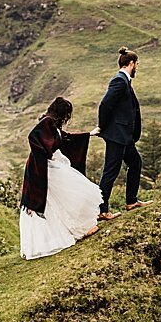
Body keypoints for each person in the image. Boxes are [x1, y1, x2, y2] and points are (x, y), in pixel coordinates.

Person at [18, 96, 102, 260]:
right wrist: (45, 155)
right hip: (44, 166)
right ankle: (81, 229)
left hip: (49, 165)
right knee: (76, 191)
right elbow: (33, 136)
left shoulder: (52, 125)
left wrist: (88, 135)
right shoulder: (47, 122)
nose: (67, 118)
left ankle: (78, 229)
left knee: (57, 200)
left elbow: (65, 139)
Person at [96, 47, 145, 220]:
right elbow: (105, 104)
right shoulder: (119, 81)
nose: (137, 67)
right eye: (137, 64)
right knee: (110, 171)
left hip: (124, 136)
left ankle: (131, 201)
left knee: (135, 162)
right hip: (116, 135)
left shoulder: (124, 81)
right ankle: (102, 210)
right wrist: (101, 126)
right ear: (131, 63)